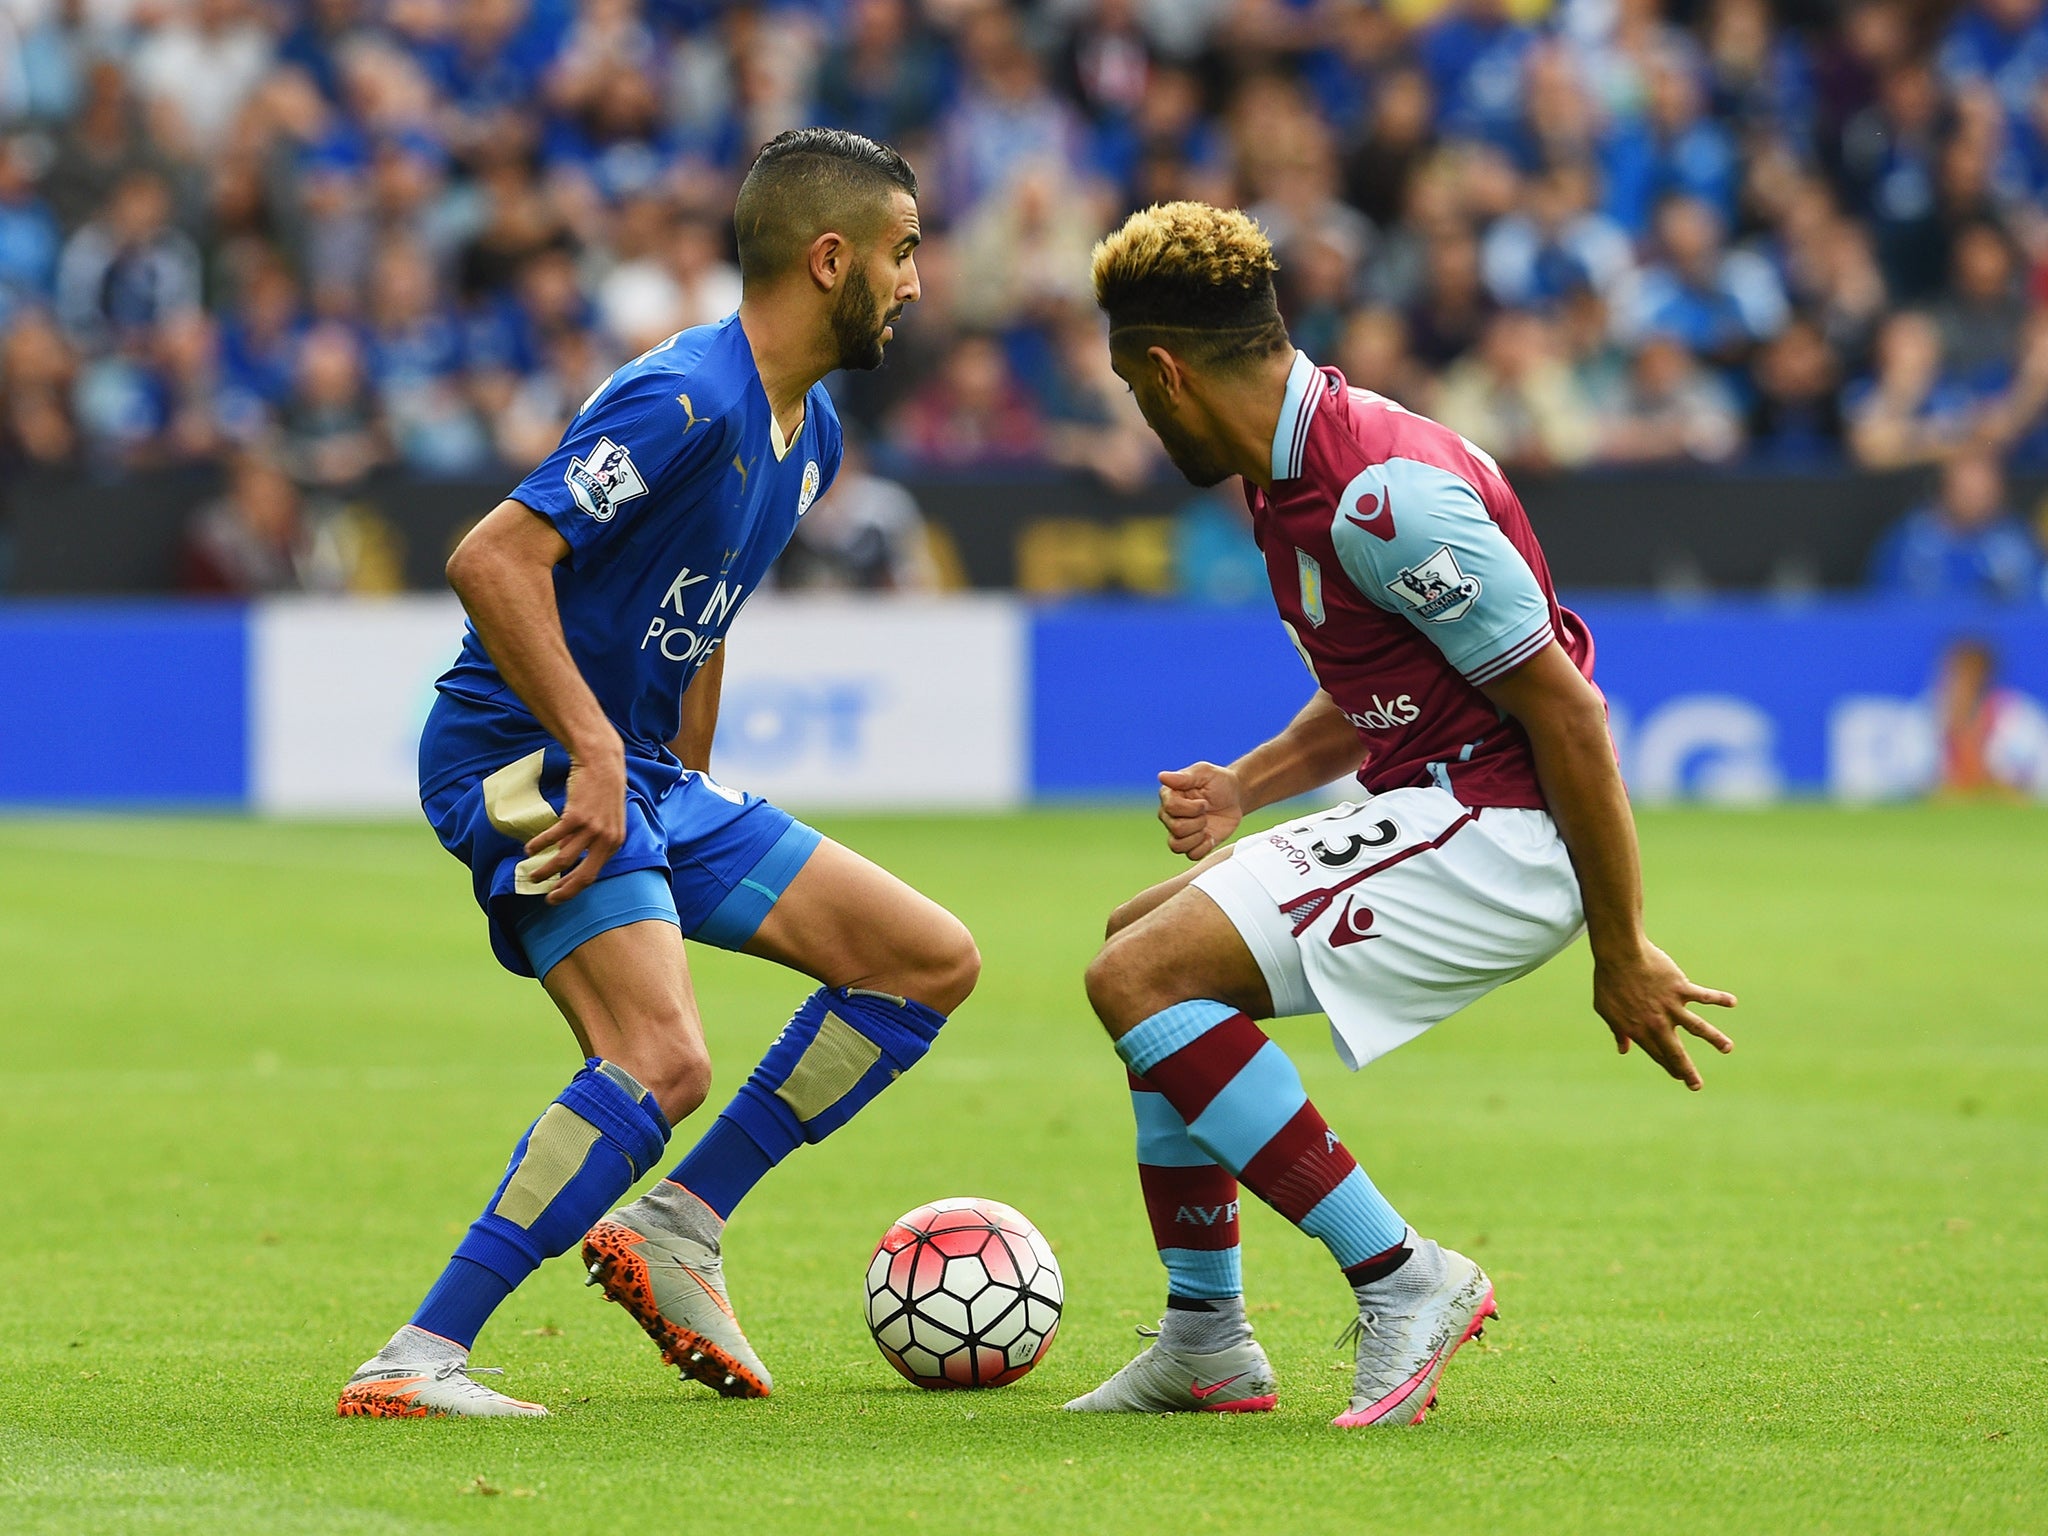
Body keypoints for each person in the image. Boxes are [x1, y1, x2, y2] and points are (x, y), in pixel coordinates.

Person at [337, 128, 979, 1419]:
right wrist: (592, 755)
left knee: (925, 959)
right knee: (661, 1058)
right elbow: (494, 561)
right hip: (518, 752)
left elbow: (706, 610)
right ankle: (416, 1361)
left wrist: (680, 787)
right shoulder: (685, 393)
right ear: (831, 257)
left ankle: (680, 1221)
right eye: (905, 254)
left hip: (640, 771)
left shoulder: (816, 435)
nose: (918, 284)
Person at [1068, 203, 1736, 1428]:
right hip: (1441, 800)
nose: (1136, 413)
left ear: (1165, 371)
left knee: (1142, 981)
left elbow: (1570, 717)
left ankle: (1403, 1277)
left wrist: (1620, 941)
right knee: (1136, 946)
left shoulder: (1380, 496)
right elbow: (1389, 682)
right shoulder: (1293, 469)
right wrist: (1246, 785)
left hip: (1501, 828)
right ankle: (1206, 1340)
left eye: (1128, 385)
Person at [1868, 449, 2043, 602]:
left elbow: (2036, 601)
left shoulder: (2016, 541)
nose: (1977, 502)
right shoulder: (1909, 542)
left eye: (1985, 494)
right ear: (1946, 490)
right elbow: (1883, 606)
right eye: (1968, 493)